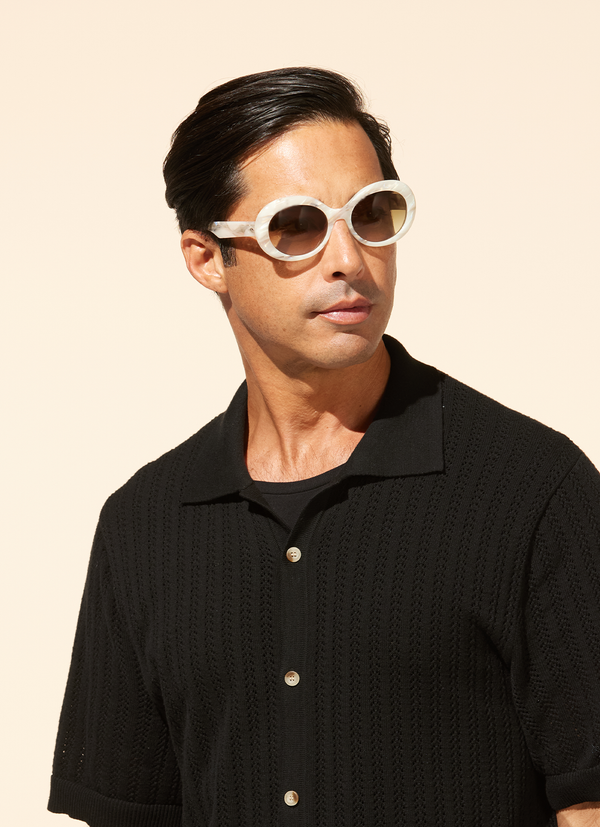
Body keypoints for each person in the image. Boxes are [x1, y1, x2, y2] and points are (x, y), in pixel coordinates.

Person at [48, 67, 600, 827]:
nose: (349, 257)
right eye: (297, 224)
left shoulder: (532, 489)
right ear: (207, 258)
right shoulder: (144, 524)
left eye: (372, 214)